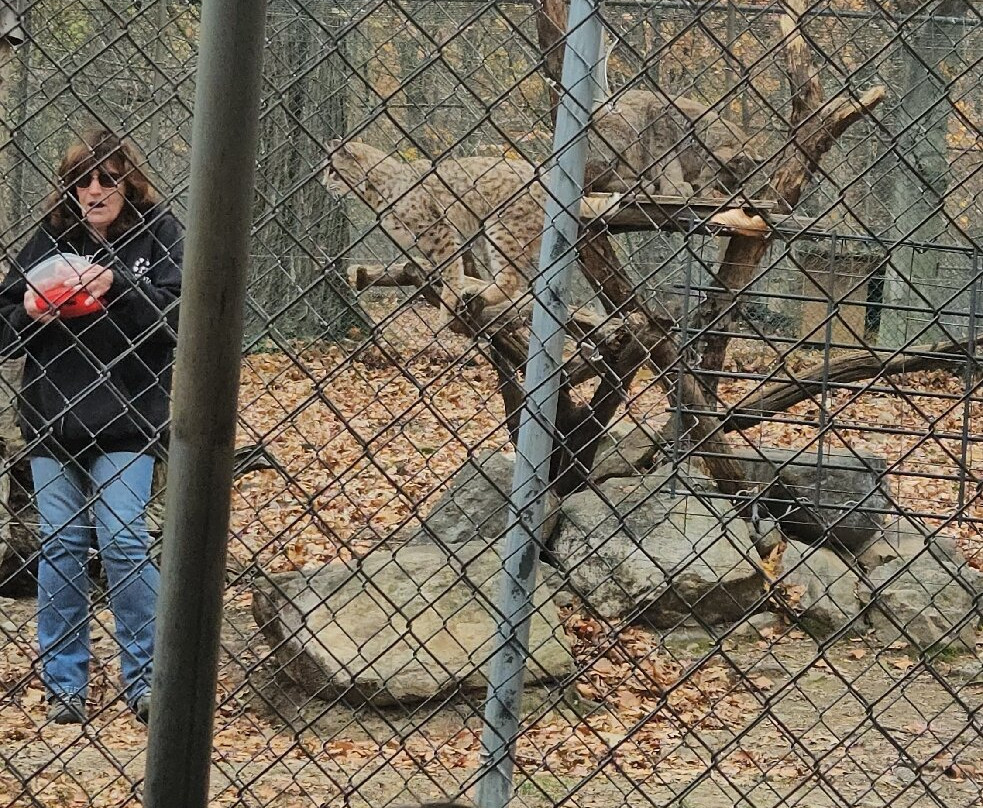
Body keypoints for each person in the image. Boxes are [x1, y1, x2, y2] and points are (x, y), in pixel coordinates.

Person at [0, 128, 183, 725]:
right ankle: (65, 686)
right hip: (54, 418)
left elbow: (182, 317)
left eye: (108, 177)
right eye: (82, 180)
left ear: (130, 181)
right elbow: (4, 323)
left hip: (130, 417)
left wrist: (117, 283)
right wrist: (30, 309)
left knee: (124, 538)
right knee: (61, 544)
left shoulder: (160, 232)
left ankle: (148, 681)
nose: (94, 190)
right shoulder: (51, 237)